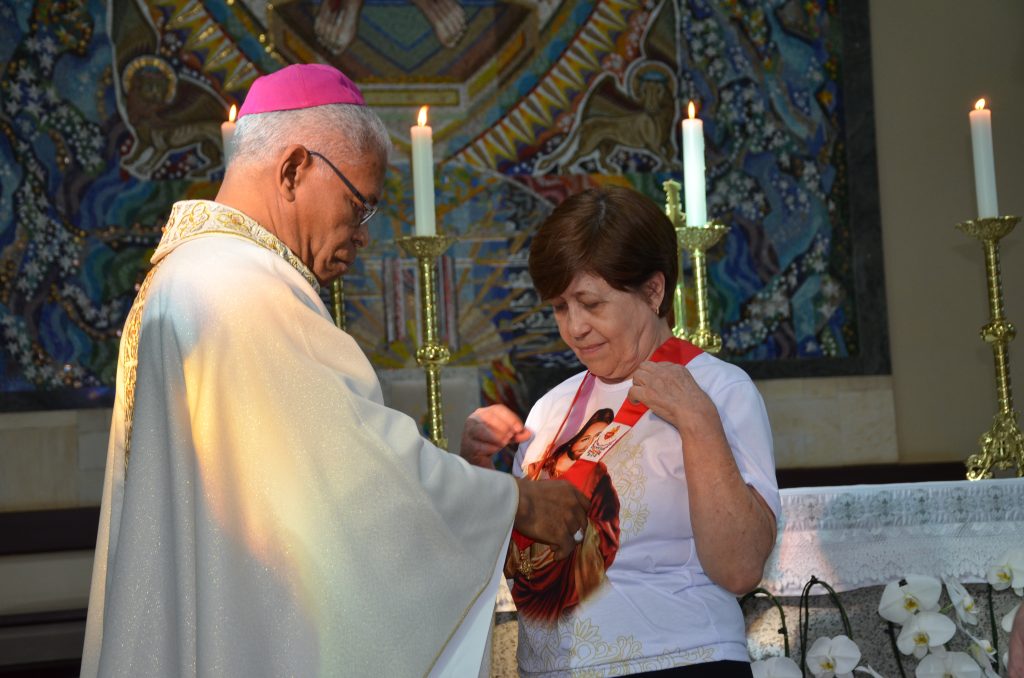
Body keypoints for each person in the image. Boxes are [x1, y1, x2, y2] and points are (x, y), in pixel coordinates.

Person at [81, 63, 588, 678]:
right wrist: (516, 502)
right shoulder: (245, 288)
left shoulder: (188, 272)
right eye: (359, 205)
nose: (362, 235)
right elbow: (361, 487)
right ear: (295, 169)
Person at [461, 186, 781, 676]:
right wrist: (476, 472)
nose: (574, 328)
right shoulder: (549, 410)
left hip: (678, 662)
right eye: (560, 307)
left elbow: (739, 568)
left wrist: (697, 421)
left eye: (591, 303)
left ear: (653, 292)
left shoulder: (719, 389)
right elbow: (503, 571)